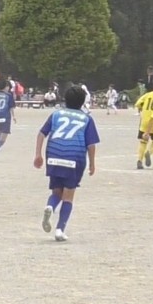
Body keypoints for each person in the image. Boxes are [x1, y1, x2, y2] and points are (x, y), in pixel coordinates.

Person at [36, 85, 100, 242]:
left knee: (56, 192)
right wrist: (92, 163)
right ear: (83, 101)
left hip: (54, 155)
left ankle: (50, 206)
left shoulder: (56, 114)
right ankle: (60, 229)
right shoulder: (87, 119)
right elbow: (91, 145)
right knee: (69, 196)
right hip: (74, 158)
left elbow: (41, 133)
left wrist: (38, 154)